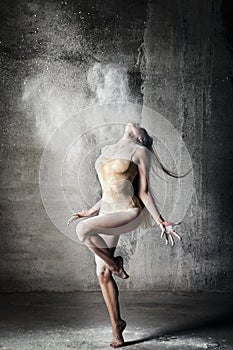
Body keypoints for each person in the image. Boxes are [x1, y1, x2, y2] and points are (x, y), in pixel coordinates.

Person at [67, 122, 191, 348]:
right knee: (102, 274)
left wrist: (160, 221)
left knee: (82, 229)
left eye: (144, 130)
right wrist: (91, 210)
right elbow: (112, 188)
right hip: (107, 210)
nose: (138, 126)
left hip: (127, 212)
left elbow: (142, 191)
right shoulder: (107, 151)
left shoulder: (141, 151)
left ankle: (116, 264)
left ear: (142, 138)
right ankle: (118, 327)